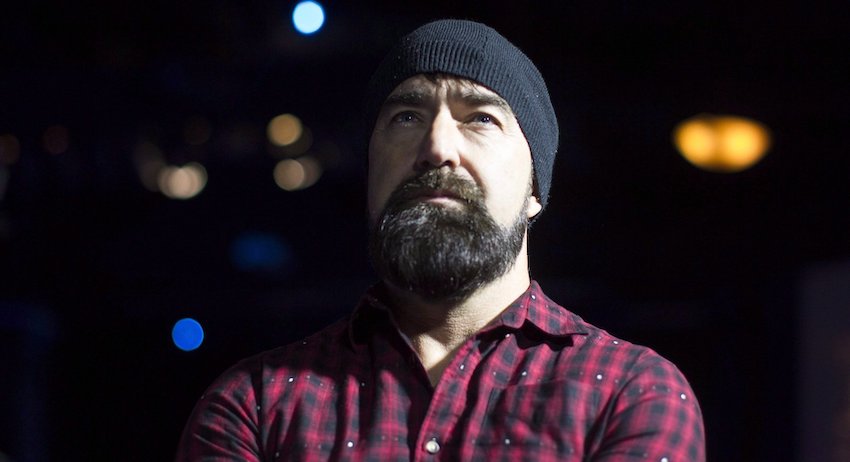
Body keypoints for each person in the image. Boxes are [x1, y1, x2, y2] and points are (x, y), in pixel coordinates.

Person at [176, 19, 705, 461]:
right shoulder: (255, 406)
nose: (437, 147)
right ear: (371, 173)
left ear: (535, 190)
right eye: (407, 117)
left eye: (481, 119)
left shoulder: (629, 394)